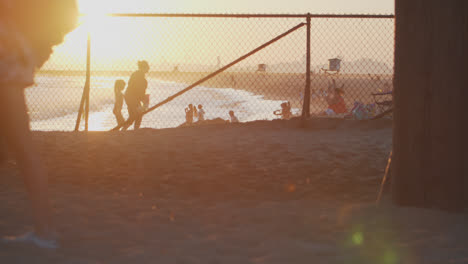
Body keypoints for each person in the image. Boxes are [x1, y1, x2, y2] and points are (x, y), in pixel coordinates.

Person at [0, 0, 78, 249]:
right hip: (11, 53)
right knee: (19, 147)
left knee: (23, 148)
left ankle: (46, 231)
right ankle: (45, 230)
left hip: (7, 55)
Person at [123, 60, 150, 130]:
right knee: (136, 114)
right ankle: (134, 129)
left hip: (131, 96)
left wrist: (143, 98)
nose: (149, 68)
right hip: (131, 97)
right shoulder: (139, 76)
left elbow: (137, 90)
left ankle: (128, 129)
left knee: (135, 115)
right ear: (144, 67)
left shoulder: (138, 75)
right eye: (147, 67)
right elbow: (137, 89)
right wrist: (144, 98)